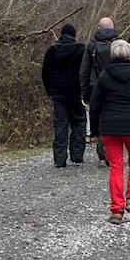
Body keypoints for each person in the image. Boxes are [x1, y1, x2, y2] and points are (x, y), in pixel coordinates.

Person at [89, 39, 130, 224]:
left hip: (110, 127)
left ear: (112, 54)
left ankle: (116, 210)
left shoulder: (104, 76)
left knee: (116, 166)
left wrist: (94, 131)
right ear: (128, 54)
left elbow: (95, 106)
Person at [41, 22, 85, 168]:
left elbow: (45, 73)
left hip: (58, 94)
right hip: (76, 93)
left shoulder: (52, 51)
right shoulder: (81, 50)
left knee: (60, 125)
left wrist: (50, 90)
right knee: (79, 123)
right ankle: (77, 156)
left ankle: (59, 159)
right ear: (74, 35)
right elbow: (84, 73)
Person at [80, 17, 117, 165]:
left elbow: (84, 70)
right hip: (115, 85)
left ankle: (102, 150)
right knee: (114, 116)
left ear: (99, 28)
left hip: (96, 86)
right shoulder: (118, 43)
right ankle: (112, 151)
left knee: (100, 117)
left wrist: (83, 90)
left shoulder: (91, 46)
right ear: (112, 27)